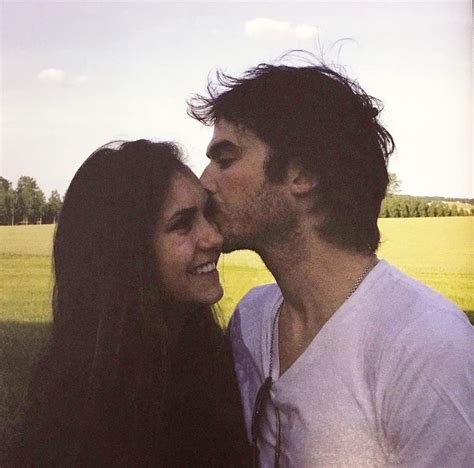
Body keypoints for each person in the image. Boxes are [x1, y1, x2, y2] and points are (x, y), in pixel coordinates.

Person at [188, 55, 474, 467]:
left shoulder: (425, 346)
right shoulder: (251, 321)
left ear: (301, 175)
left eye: (226, 159)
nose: (205, 181)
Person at [7, 140, 250, 467]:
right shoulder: (80, 409)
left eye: (208, 214)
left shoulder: (219, 360)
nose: (214, 238)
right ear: (126, 253)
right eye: (182, 224)